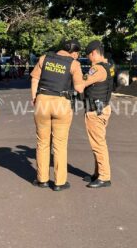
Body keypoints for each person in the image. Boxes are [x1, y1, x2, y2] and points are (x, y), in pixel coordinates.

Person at [30, 39, 84, 191]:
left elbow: (35, 78)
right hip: (61, 103)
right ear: (73, 52)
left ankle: (42, 180)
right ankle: (59, 182)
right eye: (77, 54)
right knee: (60, 144)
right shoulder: (74, 64)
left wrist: (34, 98)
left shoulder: (44, 58)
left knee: (42, 142)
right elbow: (79, 88)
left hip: (42, 101)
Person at [82, 40, 114, 188]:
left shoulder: (97, 69)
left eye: (88, 55)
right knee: (98, 142)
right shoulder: (107, 66)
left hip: (95, 111)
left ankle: (104, 177)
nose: (88, 59)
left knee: (98, 144)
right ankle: (98, 173)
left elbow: (82, 82)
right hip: (102, 108)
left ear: (93, 53)